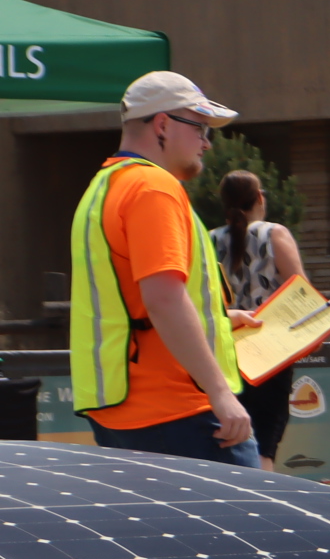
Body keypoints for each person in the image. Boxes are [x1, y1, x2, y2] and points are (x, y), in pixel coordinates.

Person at [68, 71, 259, 465]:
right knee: (248, 508)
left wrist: (221, 319)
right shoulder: (153, 187)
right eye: (200, 128)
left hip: (121, 410)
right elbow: (164, 300)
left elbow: (136, 300)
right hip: (179, 411)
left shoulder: (103, 186)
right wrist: (220, 392)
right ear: (162, 125)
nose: (206, 143)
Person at [211, 169, 308, 470]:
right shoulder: (274, 233)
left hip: (225, 348)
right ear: (259, 198)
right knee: (265, 442)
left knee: (233, 438)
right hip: (270, 351)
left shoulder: (209, 239)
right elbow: (300, 291)